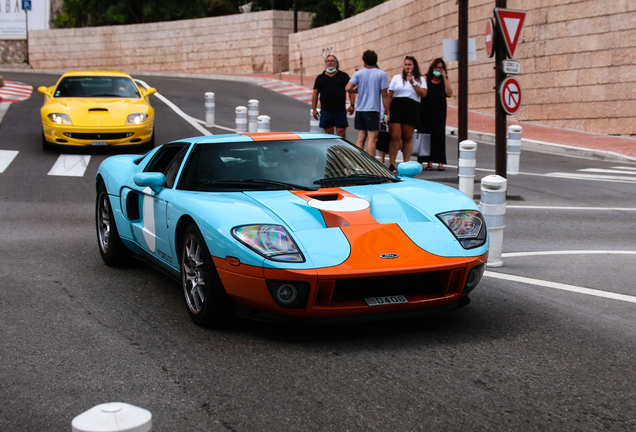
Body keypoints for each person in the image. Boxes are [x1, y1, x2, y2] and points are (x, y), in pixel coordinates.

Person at [345, 50, 391, 157]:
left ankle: (358, 163)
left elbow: (348, 87)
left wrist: (356, 90)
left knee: (361, 138)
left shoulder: (358, 73)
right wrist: (387, 111)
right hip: (373, 110)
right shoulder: (381, 74)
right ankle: (370, 164)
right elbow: (385, 95)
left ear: (364, 61)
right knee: (372, 138)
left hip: (360, 110)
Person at [387, 56, 427, 172]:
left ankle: (405, 164)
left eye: (410, 64)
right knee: (395, 136)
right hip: (397, 107)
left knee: (407, 137)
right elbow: (390, 95)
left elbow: (423, 93)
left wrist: (412, 82)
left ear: (414, 66)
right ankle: (392, 164)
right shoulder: (397, 78)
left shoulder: (420, 79)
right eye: (406, 64)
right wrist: (387, 111)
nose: (407, 67)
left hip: (411, 108)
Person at [419, 58, 453, 171]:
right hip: (426, 111)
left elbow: (449, 93)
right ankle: (428, 162)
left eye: (440, 68)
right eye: (436, 67)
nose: (438, 70)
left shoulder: (444, 81)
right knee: (427, 135)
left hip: (439, 112)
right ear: (432, 68)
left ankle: (440, 162)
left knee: (439, 135)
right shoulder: (426, 78)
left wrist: (445, 78)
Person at [312, 55, 355, 138]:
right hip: (326, 110)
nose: (330, 63)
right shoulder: (320, 78)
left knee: (341, 134)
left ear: (336, 63)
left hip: (340, 110)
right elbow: (315, 94)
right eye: (328, 61)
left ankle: (341, 151)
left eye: (332, 61)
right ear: (325, 63)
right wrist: (314, 109)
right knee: (328, 135)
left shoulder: (344, 76)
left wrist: (352, 105)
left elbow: (351, 91)